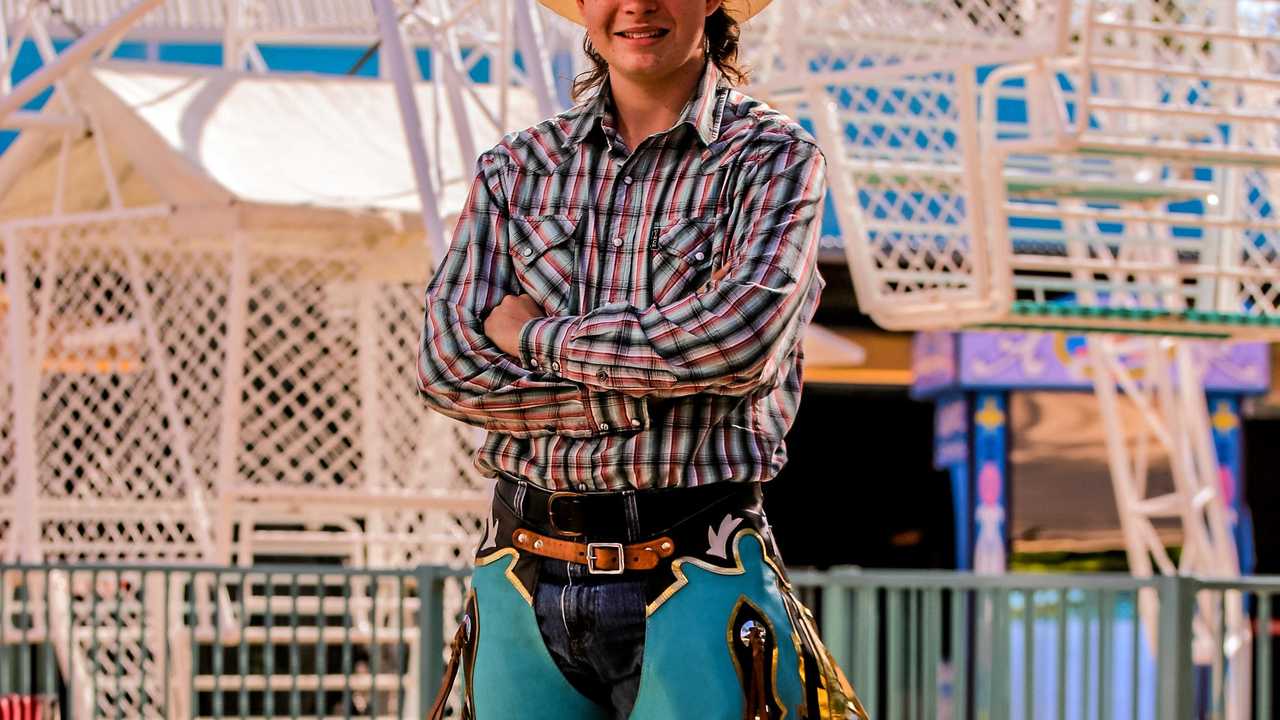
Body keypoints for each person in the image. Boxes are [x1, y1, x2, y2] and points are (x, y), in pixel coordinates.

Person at [417, 0, 866, 717]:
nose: (638, 4)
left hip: (699, 558)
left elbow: (734, 343)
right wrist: (639, 396)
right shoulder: (515, 167)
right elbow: (447, 366)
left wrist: (539, 339)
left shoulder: (773, 160)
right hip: (518, 569)